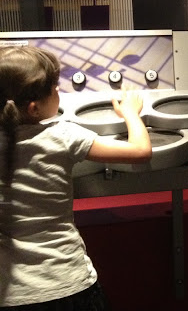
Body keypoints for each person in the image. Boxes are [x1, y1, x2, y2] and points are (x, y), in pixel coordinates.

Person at [0, 46, 152, 310]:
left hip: (10, 294)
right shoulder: (64, 135)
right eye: (54, 88)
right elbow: (140, 151)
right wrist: (130, 113)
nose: (59, 90)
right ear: (34, 108)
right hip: (67, 283)